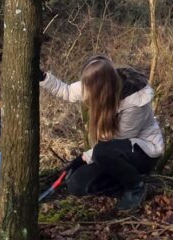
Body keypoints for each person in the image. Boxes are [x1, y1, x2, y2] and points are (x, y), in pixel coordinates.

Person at [39, 55, 164, 212]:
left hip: (141, 153)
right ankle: (121, 185)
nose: (85, 91)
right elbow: (68, 92)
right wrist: (42, 77)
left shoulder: (135, 101)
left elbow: (117, 142)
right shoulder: (96, 84)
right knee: (76, 184)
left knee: (103, 151)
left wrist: (83, 158)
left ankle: (136, 188)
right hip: (110, 155)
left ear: (101, 88)